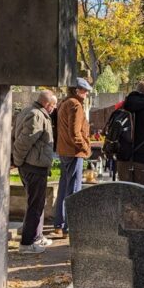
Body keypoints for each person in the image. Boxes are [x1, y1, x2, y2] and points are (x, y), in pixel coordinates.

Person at [12, 90, 57, 253]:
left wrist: (16, 161)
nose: (54, 108)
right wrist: (17, 160)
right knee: (35, 204)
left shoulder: (27, 111)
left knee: (38, 203)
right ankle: (27, 243)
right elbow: (24, 141)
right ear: (47, 103)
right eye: (53, 105)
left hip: (32, 164)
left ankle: (37, 236)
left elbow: (13, 136)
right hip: (33, 166)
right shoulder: (37, 115)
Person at [51, 78, 93, 237]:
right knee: (74, 190)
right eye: (84, 90)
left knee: (64, 187)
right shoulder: (75, 105)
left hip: (63, 151)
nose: (87, 93)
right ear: (77, 90)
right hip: (74, 152)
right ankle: (69, 227)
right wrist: (85, 148)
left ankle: (59, 224)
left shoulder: (63, 103)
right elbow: (75, 133)